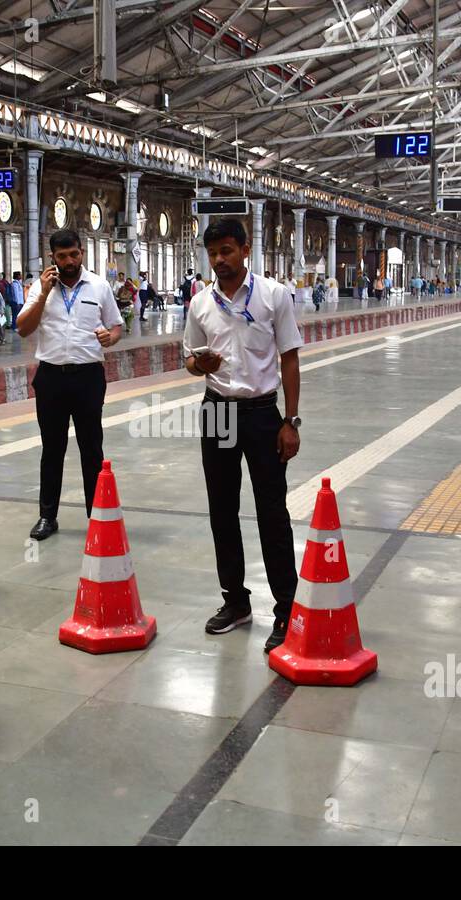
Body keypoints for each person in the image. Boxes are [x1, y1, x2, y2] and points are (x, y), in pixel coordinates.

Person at [183, 218, 302, 654]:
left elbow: (289, 359)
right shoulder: (200, 303)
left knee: (272, 511)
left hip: (260, 413)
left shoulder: (274, 296)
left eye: (228, 251)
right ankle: (235, 601)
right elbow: (190, 361)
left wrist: (291, 421)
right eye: (213, 253)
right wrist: (201, 367)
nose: (220, 260)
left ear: (245, 249)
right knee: (222, 509)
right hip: (217, 411)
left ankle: (286, 607)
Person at [16, 229, 123, 541]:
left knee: (92, 449)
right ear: (53, 258)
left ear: (82, 253)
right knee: (52, 449)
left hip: (88, 377)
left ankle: (97, 516)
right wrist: (44, 293)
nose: (69, 261)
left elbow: (117, 326)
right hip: (50, 377)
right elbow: (23, 329)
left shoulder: (99, 286)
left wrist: (110, 337)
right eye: (61, 256)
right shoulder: (40, 287)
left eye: (73, 254)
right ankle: (48, 517)